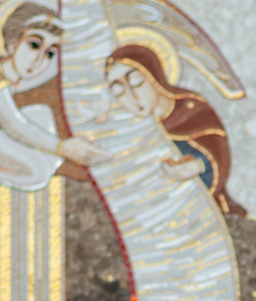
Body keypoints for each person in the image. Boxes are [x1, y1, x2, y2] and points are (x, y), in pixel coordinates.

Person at [0, 1, 109, 191]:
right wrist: (62, 148)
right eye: (33, 45)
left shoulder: (5, 73)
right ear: (13, 43)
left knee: (43, 114)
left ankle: (54, 163)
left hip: (0, 129)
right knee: (38, 176)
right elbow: (15, 126)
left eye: (48, 53)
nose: (38, 60)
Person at [105, 44, 247, 215]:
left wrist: (199, 165)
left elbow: (217, 150)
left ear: (154, 77)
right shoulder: (128, 129)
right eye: (119, 91)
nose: (132, 97)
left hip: (204, 208)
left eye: (136, 82)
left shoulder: (190, 109)